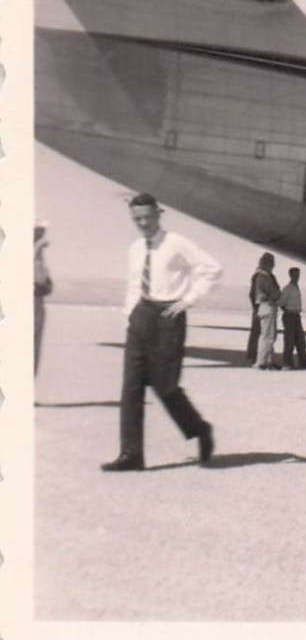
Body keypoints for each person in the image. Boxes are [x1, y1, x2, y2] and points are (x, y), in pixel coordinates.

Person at [102, 193, 221, 472]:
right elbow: (134, 286)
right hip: (140, 318)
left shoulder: (177, 244)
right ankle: (131, 454)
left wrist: (187, 300)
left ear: (158, 214)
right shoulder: (134, 248)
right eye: (137, 219)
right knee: (130, 387)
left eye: (147, 217)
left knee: (165, 386)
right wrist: (130, 318)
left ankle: (200, 429)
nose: (143, 223)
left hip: (168, 318)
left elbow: (212, 269)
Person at [251, 252, 282, 370]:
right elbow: (274, 292)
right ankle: (261, 362)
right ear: (267, 264)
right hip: (268, 306)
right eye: (271, 263)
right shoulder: (264, 277)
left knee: (269, 335)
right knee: (268, 336)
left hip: (266, 307)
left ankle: (269, 360)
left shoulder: (261, 276)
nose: (273, 266)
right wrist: (278, 294)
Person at [279, 266, 306, 369]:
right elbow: (281, 302)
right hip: (290, 315)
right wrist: (287, 310)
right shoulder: (288, 288)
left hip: (296, 316)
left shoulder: (296, 287)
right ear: (291, 275)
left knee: (300, 340)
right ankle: (287, 363)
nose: (297, 277)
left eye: (298, 275)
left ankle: (303, 362)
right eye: (295, 275)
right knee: (289, 340)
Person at [34, 220, 53, 375]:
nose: (42, 234)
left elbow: (44, 280)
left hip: (38, 302)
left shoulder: (40, 255)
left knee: (34, 348)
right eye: (38, 230)